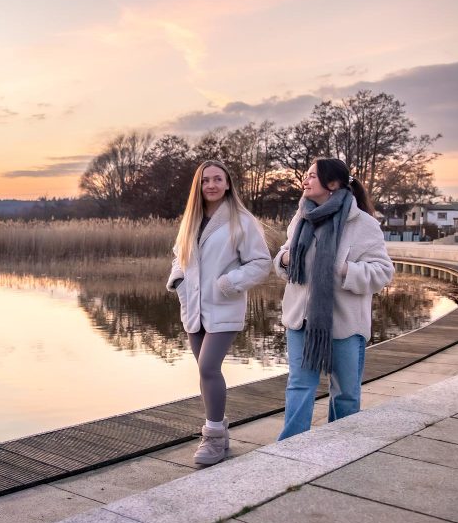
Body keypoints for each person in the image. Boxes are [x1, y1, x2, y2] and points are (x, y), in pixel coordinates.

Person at [275, 157, 394, 440]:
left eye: (312, 176)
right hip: (302, 320)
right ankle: (290, 449)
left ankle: (341, 446)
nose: (305, 180)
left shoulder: (363, 223)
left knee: (346, 393)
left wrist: (343, 270)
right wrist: (287, 258)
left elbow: (383, 272)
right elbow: (283, 258)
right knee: (299, 387)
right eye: (306, 175)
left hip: (345, 323)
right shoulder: (301, 217)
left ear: (332, 183)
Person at [167, 160, 271, 465]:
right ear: (198, 186)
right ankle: (220, 436)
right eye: (205, 180)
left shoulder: (241, 220)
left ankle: (212, 437)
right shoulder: (191, 220)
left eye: (217, 179)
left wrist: (229, 283)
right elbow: (179, 255)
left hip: (223, 303)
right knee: (203, 370)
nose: (211, 185)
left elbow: (261, 263)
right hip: (194, 306)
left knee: (209, 367)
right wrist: (178, 279)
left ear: (228, 184)